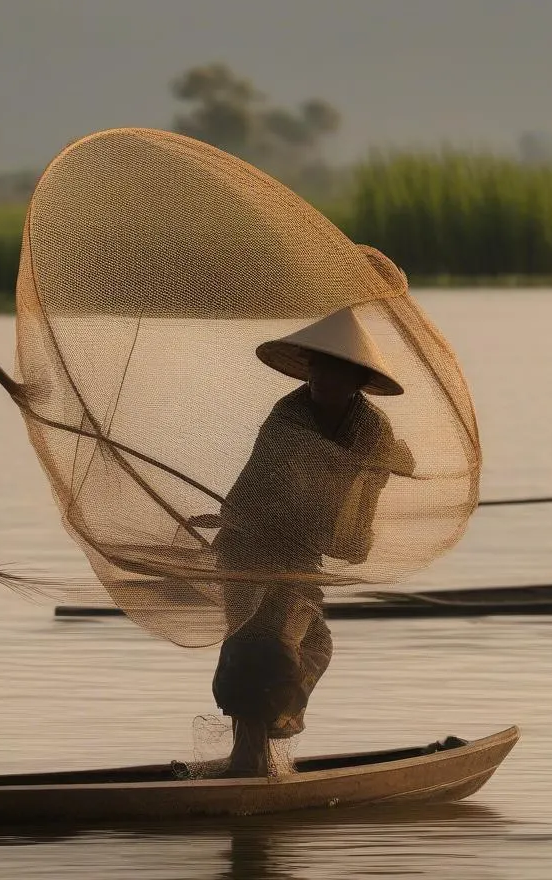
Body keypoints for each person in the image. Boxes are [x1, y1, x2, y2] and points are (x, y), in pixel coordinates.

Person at [191, 306, 414, 777]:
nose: (320, 380)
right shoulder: (288, 415)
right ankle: (248, 759)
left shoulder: (371, 427)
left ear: (355, 378)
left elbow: (387, 468)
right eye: (316, 368)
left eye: (332, 371)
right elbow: (272, 481)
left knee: (311, 646)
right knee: (255, 643)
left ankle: (258, 749)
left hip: (299, 551)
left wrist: (382, 461)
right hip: (249, 542)